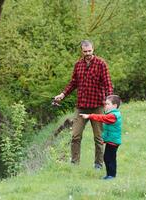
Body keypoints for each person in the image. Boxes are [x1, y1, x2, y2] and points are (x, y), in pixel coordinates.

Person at [54, 40, 113, 169]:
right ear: (82, 51)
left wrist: (110, 102)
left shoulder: (101, 64)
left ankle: (98, 164)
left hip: (97, 106)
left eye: (89, 51)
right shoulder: (78, 65)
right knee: (75, 136)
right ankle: (74, 163)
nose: (87, 53)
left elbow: (108, 84)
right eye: (85, 51)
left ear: (93, 49)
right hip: (81, 107)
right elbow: (73, 83)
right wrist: (62, 94)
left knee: (98, 138)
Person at [80, 95, 122, 179]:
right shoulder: (111, 114)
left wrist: (89, 116)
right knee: (107, 158)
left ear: (114, 106)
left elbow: (102, 118)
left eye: (108, 104)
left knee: (110, 158)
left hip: (113, 141)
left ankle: (111, 175)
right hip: (111, 140)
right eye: (105, 104)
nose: (105, 106)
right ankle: (109, 174)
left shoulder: (113, 115)